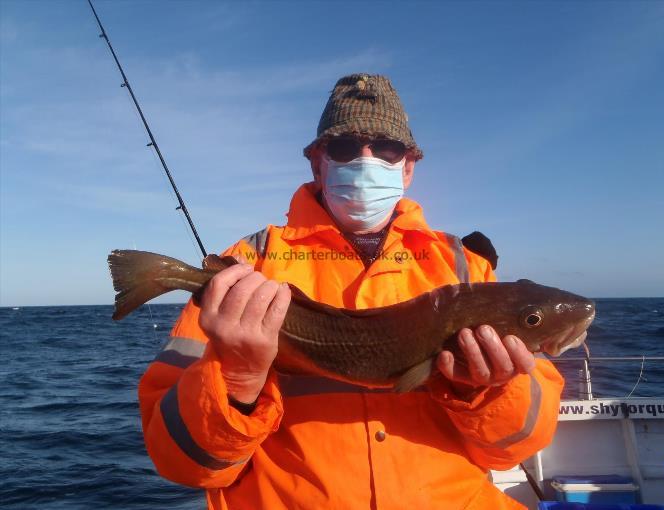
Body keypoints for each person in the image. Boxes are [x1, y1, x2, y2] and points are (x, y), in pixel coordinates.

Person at [138, 74, 565, 510]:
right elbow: (183, 465)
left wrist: (487, 391)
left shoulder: (465, 268)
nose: (367, 159)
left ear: (408, 166)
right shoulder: (247, 264)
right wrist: (237, 379)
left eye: (386, 148)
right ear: (317, 163)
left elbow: (514, 448)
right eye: (344, 148)